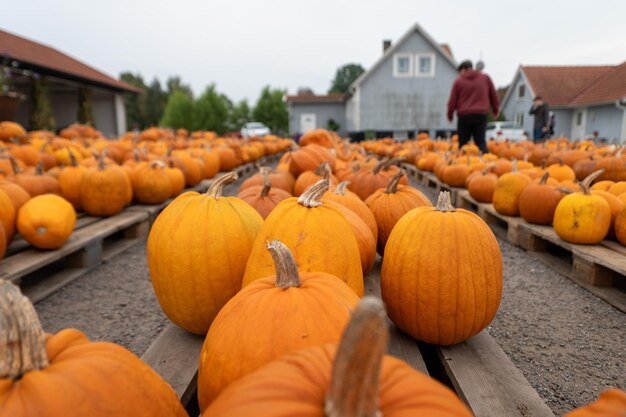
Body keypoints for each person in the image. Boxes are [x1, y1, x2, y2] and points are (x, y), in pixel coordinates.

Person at [447, 60, 500, 154]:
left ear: (463, 70)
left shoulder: (458, 81)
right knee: (480, 142)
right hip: (480, 114)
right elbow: (493, 95)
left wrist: (450, 115)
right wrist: (495, 110)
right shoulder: (485, 78)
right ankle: (484, 163)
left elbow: (452, 100)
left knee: (463, 143)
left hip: (464, 116)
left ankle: (461, 164)